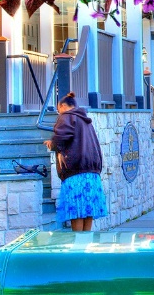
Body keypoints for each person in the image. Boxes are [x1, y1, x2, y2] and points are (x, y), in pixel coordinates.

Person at [45, 92, 107, 231]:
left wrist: (52, 144)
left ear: (62, 106)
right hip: (92, 173)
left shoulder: (67, 116)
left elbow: (61, 137)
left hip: (76, 173)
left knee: (77, 211)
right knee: (88, 211)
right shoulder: (85, 120)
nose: (58, 113)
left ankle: (78, 246)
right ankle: (86, 245)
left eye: (58, 109)